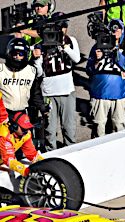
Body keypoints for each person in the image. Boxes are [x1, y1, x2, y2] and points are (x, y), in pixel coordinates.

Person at [33, 12, 79, 151]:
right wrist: (37, 59)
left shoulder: (71, 41)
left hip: (67, 90)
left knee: (69, 128)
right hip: (49, 93)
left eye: (65, 25)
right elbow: (40, 73)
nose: (64, 28)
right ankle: (51, 156)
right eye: (61, 25)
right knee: (50, 131)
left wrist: (65, 47)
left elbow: (76, 59)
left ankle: (71, 155)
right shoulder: (42, 44)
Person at [86, 19, 125, 137]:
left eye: (118, 28)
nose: (115, 31)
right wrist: (97, 60)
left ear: (122, 31)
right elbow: (89, 70)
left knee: (119, 127)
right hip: (100, 94)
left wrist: (116, 50)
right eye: (113, 28)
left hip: (119, 94)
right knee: (98, 127)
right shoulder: (98, 45)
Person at [0, 112, 43, 176]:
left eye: (28, 128)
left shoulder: (26, 134)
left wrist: (46, 164)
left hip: (0, 163)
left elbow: (32, 154)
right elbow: (9, 159)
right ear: (14, 126)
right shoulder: (3, 134)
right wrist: (25, 171)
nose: (26, 131)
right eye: (23, 129)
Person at [0, 38, 46, 118]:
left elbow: (35, 93)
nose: (17, 56)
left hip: (22, 113)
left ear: (25, 55)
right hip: (4, 112)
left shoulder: (31, 71)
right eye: (14, 53)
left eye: (21, 54)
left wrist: (42, 108)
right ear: (9, 53)